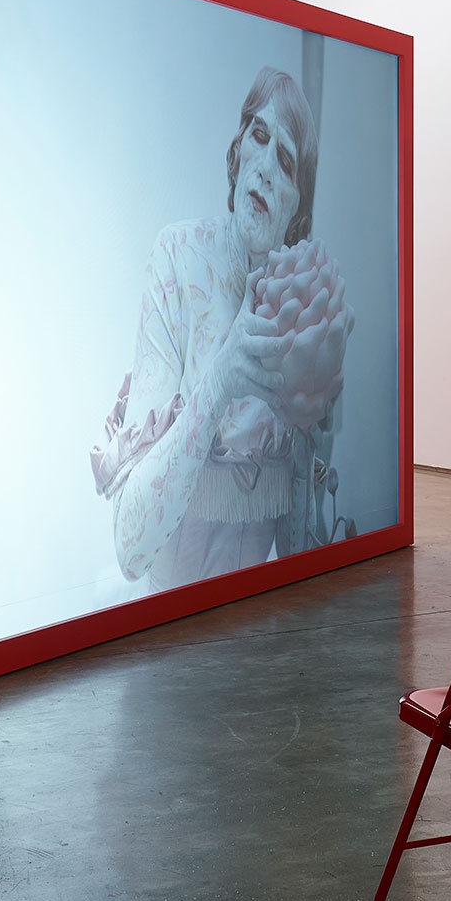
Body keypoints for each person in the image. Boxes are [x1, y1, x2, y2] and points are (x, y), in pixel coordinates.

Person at [90, 66, 350, 591]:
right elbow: (130, 548)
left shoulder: (302, 311)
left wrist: (312, 436)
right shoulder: (179, 259)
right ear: (236, 153)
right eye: (259, 136)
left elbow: (297, 555)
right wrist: (220, 380)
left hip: (253, 626)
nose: (267, 171)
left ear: (298, 211)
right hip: (165, 626)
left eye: (287, 161)